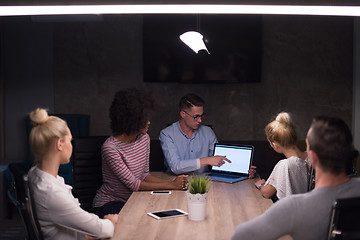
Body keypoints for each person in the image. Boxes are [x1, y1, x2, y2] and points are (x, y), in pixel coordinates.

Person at [232, 116, 360, 240]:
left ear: (313, 157)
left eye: (307, 145)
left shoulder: (293, 208)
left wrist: (260, 185)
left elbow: (240, 235)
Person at [92, 88, 188, 218]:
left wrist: (173, 181)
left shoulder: (144, 138)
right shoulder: (110, 148)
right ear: (131, 121)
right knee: (143, 218)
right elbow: (134, 184)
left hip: (134, 199)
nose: (148, 122)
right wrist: (171, 184)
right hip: (110, 203)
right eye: (144, 119)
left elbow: (143, 175)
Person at [27, 108, 117, 240]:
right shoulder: (52, 193)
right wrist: (111, 221)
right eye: (70, 140)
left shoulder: (34, 174)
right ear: (60, 144)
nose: (72, 145)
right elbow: (103, 230)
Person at [159, 93, 230, 175]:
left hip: (204, 181)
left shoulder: (208, 132)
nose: (200, 120)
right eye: (196, 117)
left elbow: (219, 160)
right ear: (183, 114)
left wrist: (245, 170)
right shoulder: (167, 134)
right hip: (176, 182)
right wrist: (207, 160)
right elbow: (175, 166)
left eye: (201, 116)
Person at [254, 112, 310, 200]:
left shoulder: (285, 165)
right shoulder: (311, 158)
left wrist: (261, 185)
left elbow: (266, 193)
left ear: (275, 145)